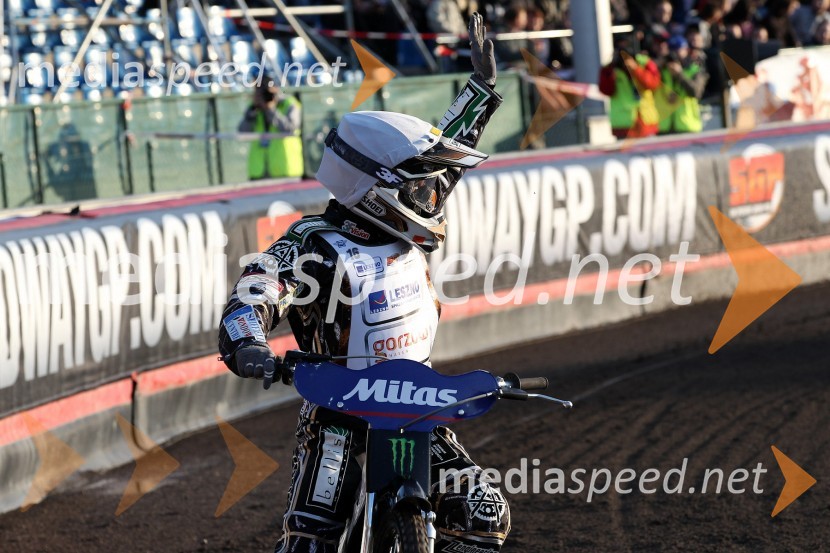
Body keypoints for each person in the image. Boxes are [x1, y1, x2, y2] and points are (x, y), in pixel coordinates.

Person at [218, 13, 509, 553]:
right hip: (338, 412)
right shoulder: (312, 241)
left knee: (483, 514)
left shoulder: (399, 219)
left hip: (414, 402)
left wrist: (481, 91)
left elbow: (444, 155)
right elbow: (255, 290)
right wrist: (248, 342)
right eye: (418, 188)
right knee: (312, 536)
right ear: (377, 187)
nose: (431, 196)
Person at [238, 79, 304, 180]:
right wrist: (252, 112)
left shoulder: (289, 104)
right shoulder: (254, 108)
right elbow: (242, 132)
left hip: (285, 169)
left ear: (276, 89)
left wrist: (271, 109)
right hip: (259, 171)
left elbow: (290, 129)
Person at [599, 44, 662, 139]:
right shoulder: (610, 70)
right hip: (623, 124)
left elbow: (653, 84)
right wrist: (609, 72)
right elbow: (606, 90)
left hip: (645, 120)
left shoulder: (645, 63)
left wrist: (636, 69)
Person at [656, 36, 709, 134]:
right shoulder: (662, 70)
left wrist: (680, 74)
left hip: (687, 126)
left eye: (677, 51)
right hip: (665, 127)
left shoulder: (695, 70)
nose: (674, 55)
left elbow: (696, 92)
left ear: (686, 51)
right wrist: (659, 63)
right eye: (671, 51)